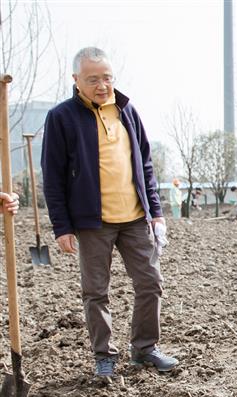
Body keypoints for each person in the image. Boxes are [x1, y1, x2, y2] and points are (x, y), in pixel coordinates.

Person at [41, 47, 178, 379]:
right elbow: (53, 175)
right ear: (76, 81)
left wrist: (155, 211)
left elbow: (145, 164)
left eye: (107, 78)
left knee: (150, 282)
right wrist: (62, 226)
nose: (102, 85)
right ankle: (104, 356)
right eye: (93, 79)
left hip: (134, 218)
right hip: (92, 223)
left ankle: (145, 349)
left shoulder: (126, 110)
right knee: (96, 291)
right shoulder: (61, 117)